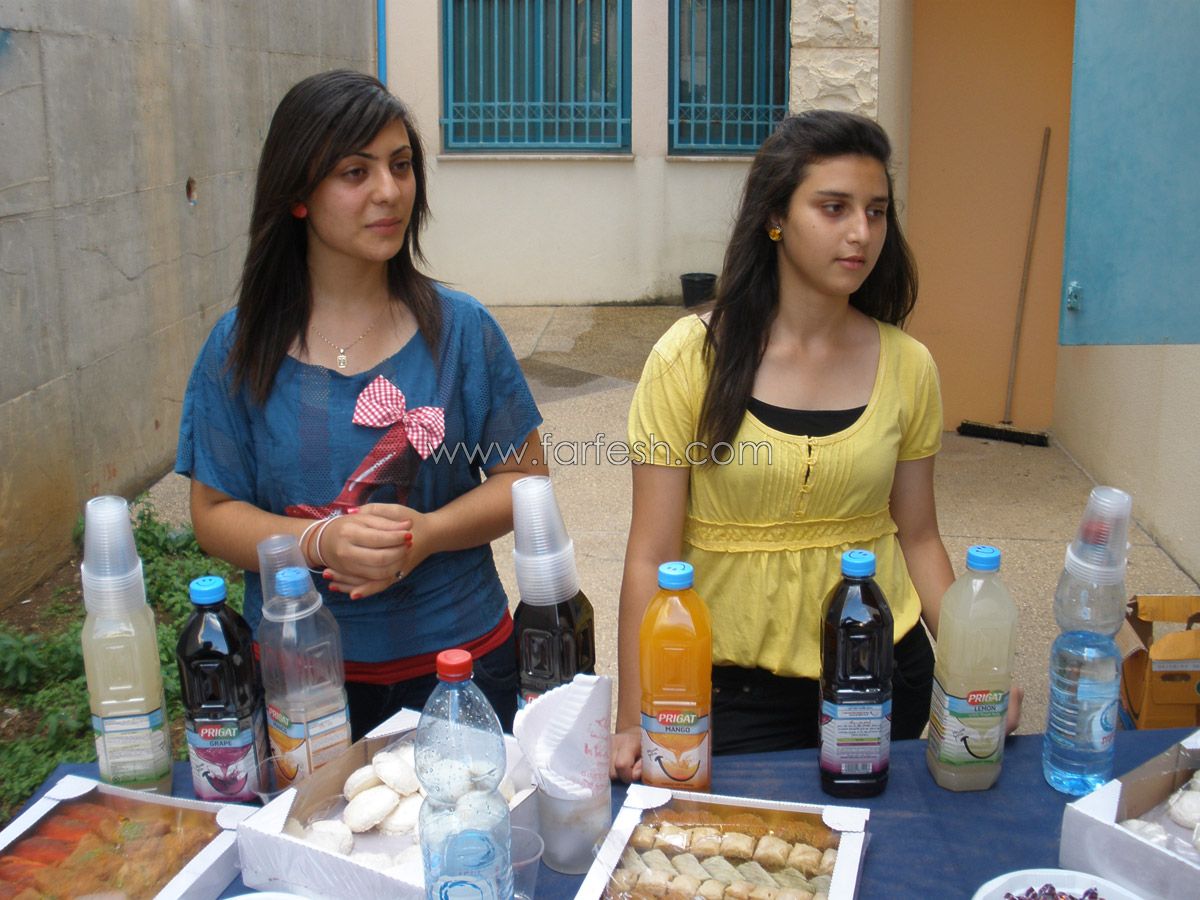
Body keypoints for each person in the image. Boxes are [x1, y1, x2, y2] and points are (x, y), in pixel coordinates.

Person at [612, 110, 1020, 780]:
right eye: (834, 208)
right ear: (775, 216)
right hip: (730, 688)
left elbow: (919, 536)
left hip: (882, 673)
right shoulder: (689, 358)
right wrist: (634, 717)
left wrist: (974, 671)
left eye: (876, 212)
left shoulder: (908, 365)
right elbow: (650, 557)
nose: (862, 233)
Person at [176, 70, 546, 738]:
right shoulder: (240, 347)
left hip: (459, 670)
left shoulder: (462, 331)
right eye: (356, 172)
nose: (389, 191)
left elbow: (525, 481)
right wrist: (318, 542)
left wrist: (427, 534)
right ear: (297, 195)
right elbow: (214, 514)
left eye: (400, 166)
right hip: (301, 679)